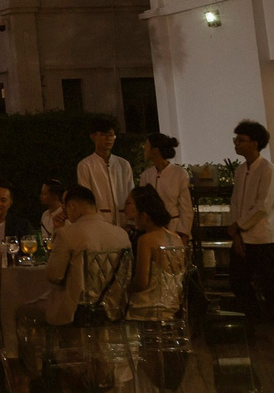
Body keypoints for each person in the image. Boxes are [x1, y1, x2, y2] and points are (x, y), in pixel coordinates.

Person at [39, 188, 130, 325]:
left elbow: (54, 275)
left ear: (72, 206)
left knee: (30, 311)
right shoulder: (122, 234)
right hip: (116, 310)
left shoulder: (67, 234)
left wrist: (58, 231)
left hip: (78, 313)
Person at [229, 119, 274, 322]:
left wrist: (240, 225)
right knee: (238, 281)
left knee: (268, 282)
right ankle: (254, 317)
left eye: (241, 140)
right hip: (242, 235)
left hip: (263, 236)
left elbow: (264, 205)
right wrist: (236, 232)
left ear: (254, 143)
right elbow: (236, 202)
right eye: (236, 139)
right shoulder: (240, 170)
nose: (236, 143)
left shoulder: (268, 170)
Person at [120, 187, 187, 321]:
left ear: (144, 216)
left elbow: (141, 283)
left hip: (148, 307)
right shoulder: (176, 238)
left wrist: (124, 287)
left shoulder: (146, 240)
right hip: (173, 306)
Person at [75, 117, 134, 222]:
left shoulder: (123, 164)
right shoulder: (85, 165)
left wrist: (131, 219)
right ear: (93, 136)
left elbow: (131, 192)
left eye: (111, 135)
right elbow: (86, 197)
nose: (108, 139)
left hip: (124, 221)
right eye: (103, 135)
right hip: (100, 221)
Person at [137, 134, 193, 242]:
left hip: (174, 228)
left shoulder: (179, 173)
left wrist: (183, 232)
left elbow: (186, 207)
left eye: (147, 146)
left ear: (155, 150)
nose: (145, 149)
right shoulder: (146, 175)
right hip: (152, 230)